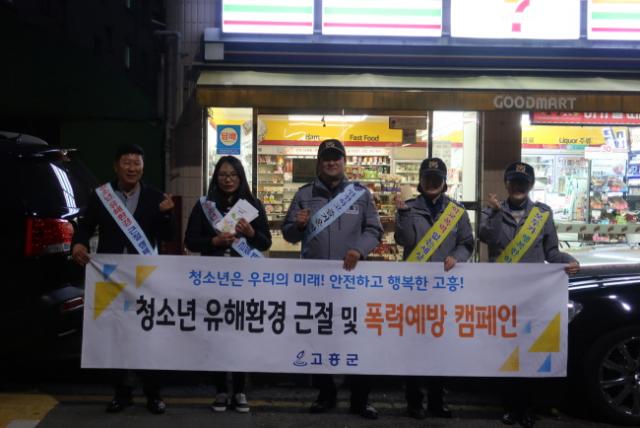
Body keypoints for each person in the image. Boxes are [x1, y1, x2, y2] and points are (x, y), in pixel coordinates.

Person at [281, 139, 383, 419]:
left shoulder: (360, 194)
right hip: (315, 283)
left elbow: (374, 230)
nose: (331, 162)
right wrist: (298, 225)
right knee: (320, 337)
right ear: (319, 163)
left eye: (336, 157)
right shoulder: (304, 194)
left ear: (344, 161)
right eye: (326, 158)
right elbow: (288, 233)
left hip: (352, 282)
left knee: (357, 337)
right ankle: (326, 394)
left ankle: (360, 399)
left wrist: (358, 250)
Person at [72, 143, 175, 415]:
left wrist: (166, 214)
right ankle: (121, 393)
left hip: (145, 276)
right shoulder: (101, 195)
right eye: (127, 163)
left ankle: (153, 393)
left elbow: (167, 236)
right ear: (116, 166)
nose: (132, 168)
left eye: (137, 163)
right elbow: (85, 226)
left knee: (148, 334)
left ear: (143, 167)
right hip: (111, 276)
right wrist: (79, 243)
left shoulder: (155, 197)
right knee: (115, 333)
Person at [479, 161, 579, 428]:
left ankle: (526, 407)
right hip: (502, 294)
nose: (518, 187)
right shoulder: (492, 211)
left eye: (523, 183)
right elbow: (487, 237)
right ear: (506, 184)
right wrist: (495, 212)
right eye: (513, 182)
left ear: (531, 185)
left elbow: (551, 251)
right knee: (506, 350)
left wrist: (568, 261)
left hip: (532, 296)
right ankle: (510, 406)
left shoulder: (542, 214)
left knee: (528, 350)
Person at [184, 155, 272, 413]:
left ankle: (241, 391)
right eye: (223, 174)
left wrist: (251, 233)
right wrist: (213, 242)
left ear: (241, 177)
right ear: (216, 177)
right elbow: (190, 240)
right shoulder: (204, 205)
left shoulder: (253, 205)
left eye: (233, 174)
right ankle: (221, 390)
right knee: (217, 334)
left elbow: (265, 242)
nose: (228, 179)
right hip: (213, 279)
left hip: (243, 280)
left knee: (241, 334)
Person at [394, 157, 474, 420]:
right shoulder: (409, 208)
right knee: (414, 345)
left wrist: (457, 257)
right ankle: (414, 401)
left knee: (440, 345)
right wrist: (402, 215)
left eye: (436, 179)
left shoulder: (456, 211)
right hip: (414, 290)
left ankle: (437, 400)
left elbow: (467, 243)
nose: (432, 182)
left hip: (443, 290)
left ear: (444, 182)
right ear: (420, 180)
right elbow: (403, 240)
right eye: (427, 178)